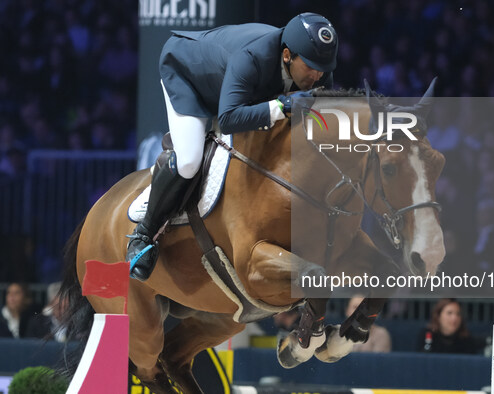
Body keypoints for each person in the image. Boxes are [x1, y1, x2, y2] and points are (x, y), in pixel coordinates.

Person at [127, 13, 338, 281]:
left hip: (235, 86)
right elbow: (227, 120)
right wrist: (281, 106)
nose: (318, 75)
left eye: (323, 67)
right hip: (188, 75)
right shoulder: (253, 57)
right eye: (310, 67)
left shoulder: (315, 63)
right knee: (190, 161)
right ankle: (144, 234)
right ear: (287, 56)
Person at [418, 298, 484, 354]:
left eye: (458, 314)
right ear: (438, 316)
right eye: (449, 313)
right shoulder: (427, 335)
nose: (454, 318)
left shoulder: (466, 339)